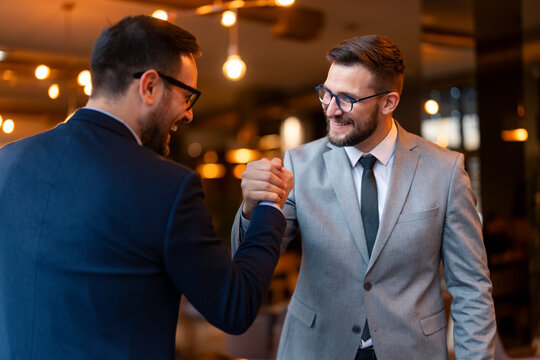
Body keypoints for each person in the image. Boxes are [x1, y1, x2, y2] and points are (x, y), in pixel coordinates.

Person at [0, 15, 293, 360]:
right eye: (187, 96)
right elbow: (235, 306)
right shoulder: (168, 186)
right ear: (150, 86)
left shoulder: (8, 161)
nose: (188, 115)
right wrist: (271, 206)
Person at [232, 35, 496, 359]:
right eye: (326, 94)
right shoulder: (297, 165)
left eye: (346, 99)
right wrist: (249, 208)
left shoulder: (445, 170)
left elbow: (471, 288)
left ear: (388, 102)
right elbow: (251, 260)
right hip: (316, 349)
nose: (331, 109)